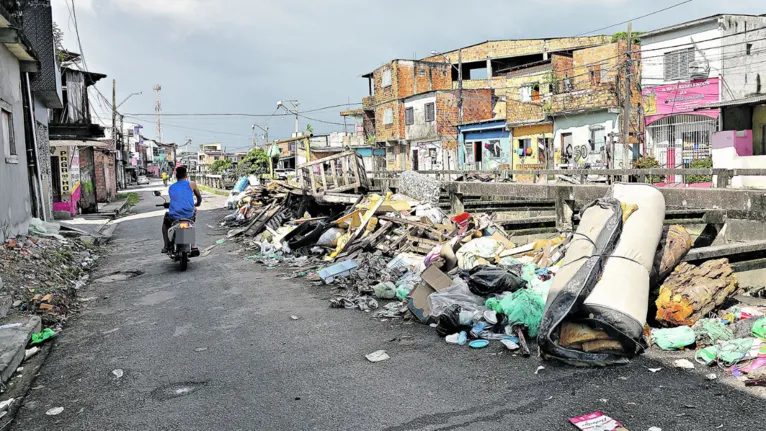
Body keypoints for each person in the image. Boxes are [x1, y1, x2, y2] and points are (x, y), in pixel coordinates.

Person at [161, 166, 202, 254]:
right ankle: (193, 245)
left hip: (175, 216)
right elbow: (198, 196)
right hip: (188, 215)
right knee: (191, 221)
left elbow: (176, 199)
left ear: (176, 175)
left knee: (165, 222)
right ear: (186, 175)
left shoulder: (171, 187)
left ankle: (166, 245)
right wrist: (197, 204)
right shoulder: (192, 184)